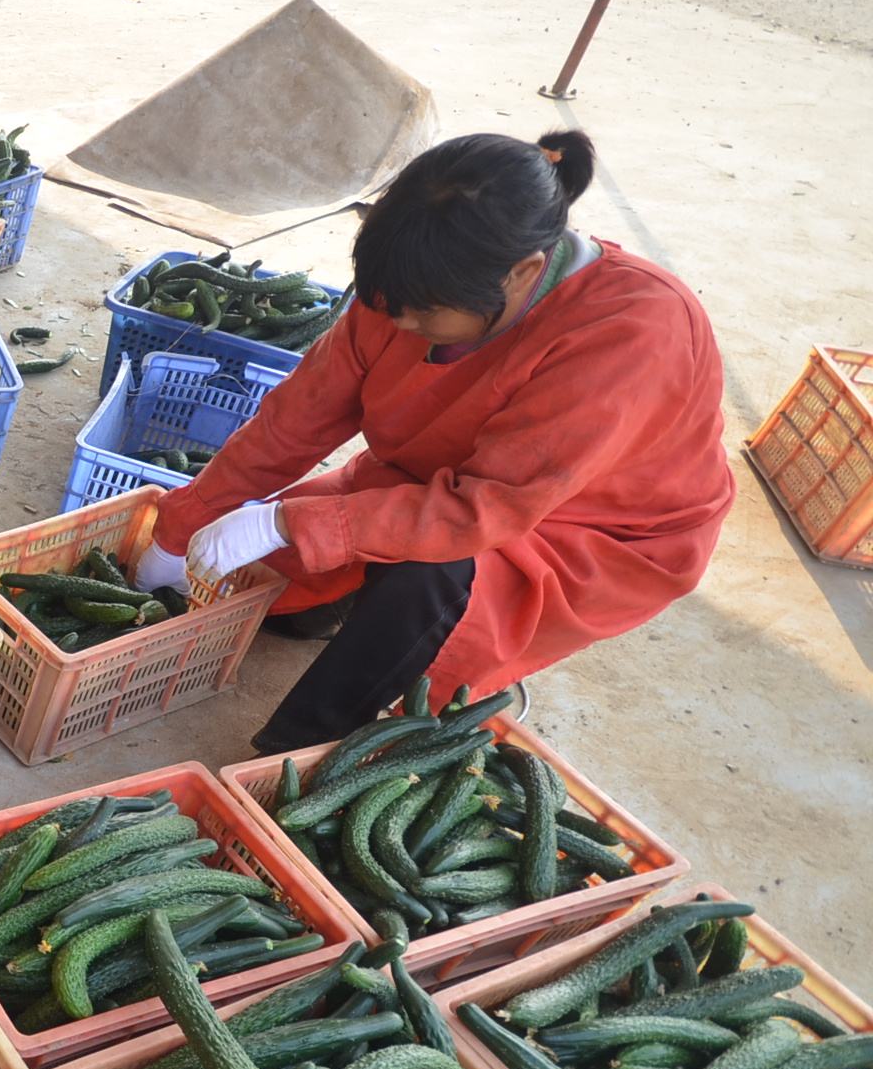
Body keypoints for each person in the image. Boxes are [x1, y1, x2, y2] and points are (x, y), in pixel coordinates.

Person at [136, 129, 733, 753]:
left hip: (584, 532)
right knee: (282, 582)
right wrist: (190, 517)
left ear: (522, 274)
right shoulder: (416, 279)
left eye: (423, 313)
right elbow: (301, 414)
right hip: (431, 481)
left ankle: (302, 754)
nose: (400, 325)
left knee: (424, 581)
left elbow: (483, 512)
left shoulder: (633, 331)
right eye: (388, 304)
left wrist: (285, 523)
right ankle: (342, 611)